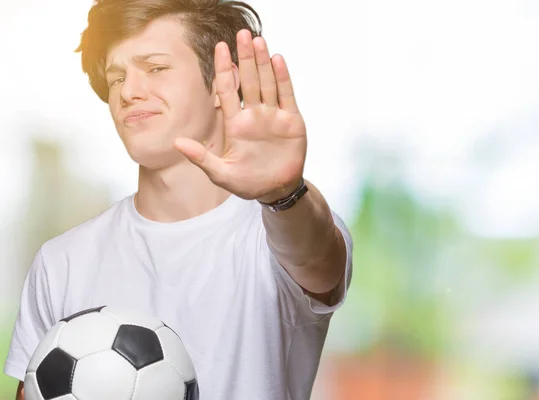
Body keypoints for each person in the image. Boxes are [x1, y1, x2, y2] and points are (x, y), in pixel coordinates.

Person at [4, 0, 353, 399]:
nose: (129, 92)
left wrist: (284, 194)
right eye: (117, 77)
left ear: (223, 82)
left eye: (156, 68)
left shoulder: (278, 231)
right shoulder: (61, 261)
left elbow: (318, 262)